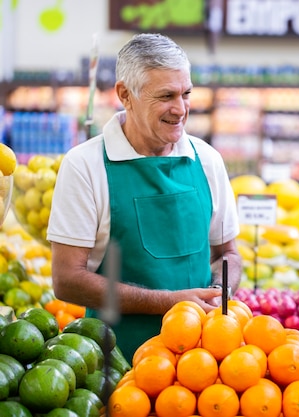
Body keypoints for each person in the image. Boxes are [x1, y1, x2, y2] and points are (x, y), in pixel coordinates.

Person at [47, 33, 242, 361]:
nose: (180, 109)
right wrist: (169, 302)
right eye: (166, 95)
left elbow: (228, 253)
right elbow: (67, 281)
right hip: (116, 363)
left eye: (186, 94)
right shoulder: (85, 166)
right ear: (126, 94)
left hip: (204, 369)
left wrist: (222, 290)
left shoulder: (207, 160)